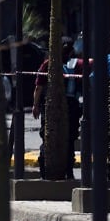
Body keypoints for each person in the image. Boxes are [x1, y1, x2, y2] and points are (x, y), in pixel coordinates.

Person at [32, 37, 79, 178]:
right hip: (71, 105)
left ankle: (47, 172)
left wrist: (36, 105)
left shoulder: (48, 64)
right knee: (69, 139)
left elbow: (39, 88)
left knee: (48, 137)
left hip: (51, 104)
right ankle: (68, 172)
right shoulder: (77, 64)